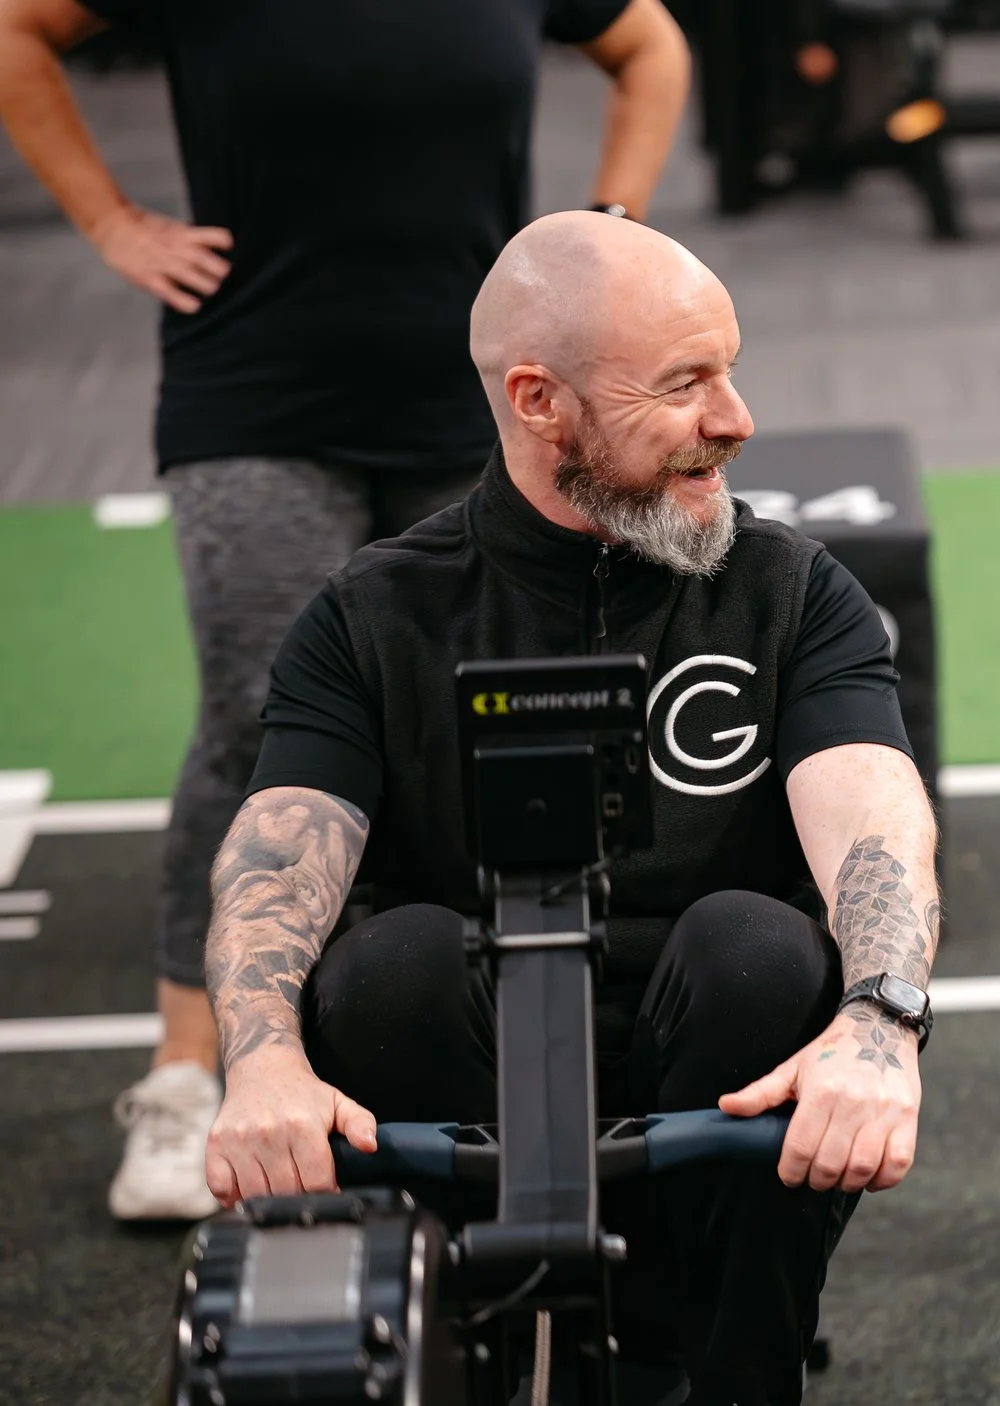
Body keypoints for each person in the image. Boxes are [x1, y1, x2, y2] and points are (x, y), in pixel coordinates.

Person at [197, 212, 934, 1406]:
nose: (736, 419)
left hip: (717, 1063)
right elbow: (279, 845)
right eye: (686, 384)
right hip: (462, 1055)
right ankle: (457, 1352)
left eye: (729, 372)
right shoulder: (374, 613)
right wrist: (261, 1058)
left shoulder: (791, 590)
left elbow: (874, 818)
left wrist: (882, 1019)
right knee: (394, 962)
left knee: (753, 942)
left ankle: (730, 1368)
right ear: (541, 402)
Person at [0, 0, 690, 1221]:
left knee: (489, 705)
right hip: (258, 387)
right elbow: (18, 30)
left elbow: (650, 46)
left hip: (483, 395)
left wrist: (607, 226)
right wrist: (111, 223)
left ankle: (481, 1044)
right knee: (254, 718)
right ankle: (188, 1073)